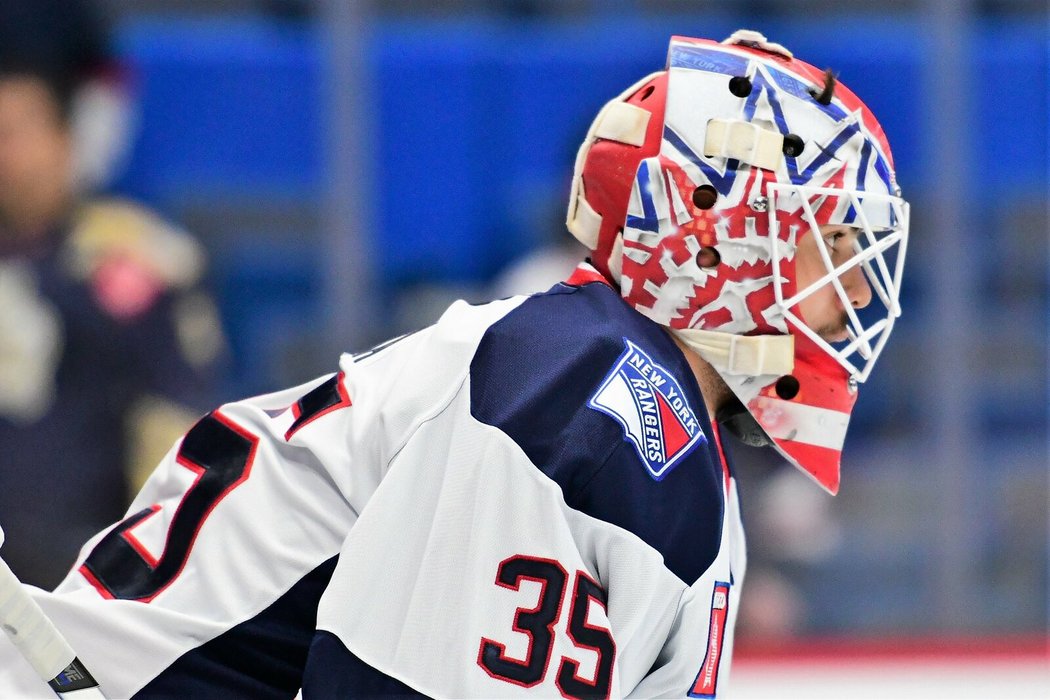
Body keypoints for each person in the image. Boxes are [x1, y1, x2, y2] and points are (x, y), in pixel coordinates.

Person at [0, 30, 908, 697]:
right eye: (831, 244)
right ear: (721, 244)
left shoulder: (637, 408)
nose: (858, 295)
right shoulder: (593, 393)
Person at [0, 0, 226, 589]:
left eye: (12, 132)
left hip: (78, 588)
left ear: (66, 135)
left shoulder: (142, 265)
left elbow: (178, 447)